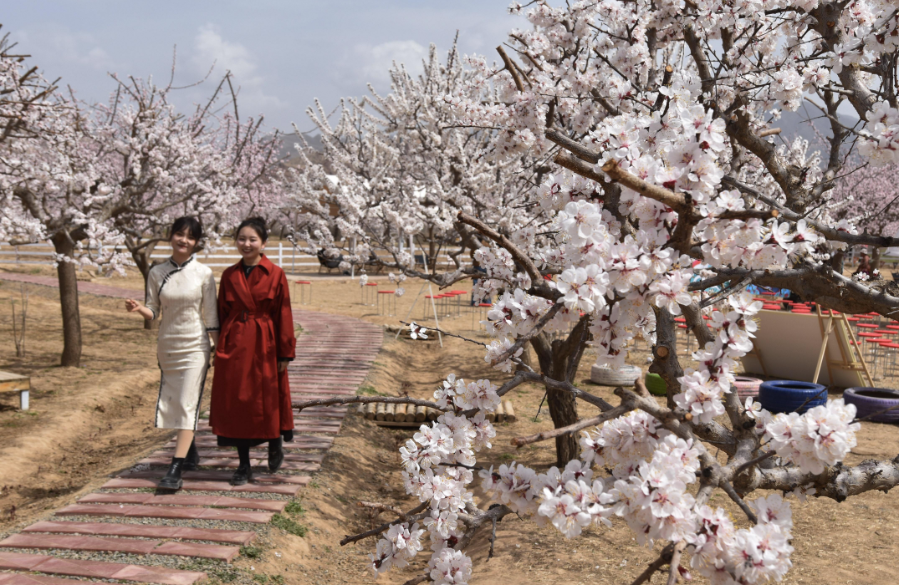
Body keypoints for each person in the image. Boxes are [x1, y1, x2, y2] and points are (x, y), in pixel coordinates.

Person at [124, 217, 218, 490]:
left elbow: (211, 316)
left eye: (190, 237)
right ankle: (190, 453)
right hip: (168, 344)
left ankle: (174, 469)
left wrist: (218, 347)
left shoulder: (204, 273)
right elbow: (153, 310)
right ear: (171, 236)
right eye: (179, 234)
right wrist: (138, 309)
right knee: (177, 401)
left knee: (189, 402)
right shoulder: (156, 272)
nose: (183, 240)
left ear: (196, 243)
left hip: (195, 346)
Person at [210, 217, 296, 485]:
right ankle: (243, 464)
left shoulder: (276, 273)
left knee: (268, 396)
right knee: (237, 401)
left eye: (252, 240)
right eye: (241, 239)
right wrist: (219, 347)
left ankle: (275, 441)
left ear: (263, 243)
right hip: (234, 343)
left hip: (265, 342)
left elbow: (284, 313)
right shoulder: (229, 274)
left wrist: (285, 352)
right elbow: (222, 313)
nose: (246, 244)